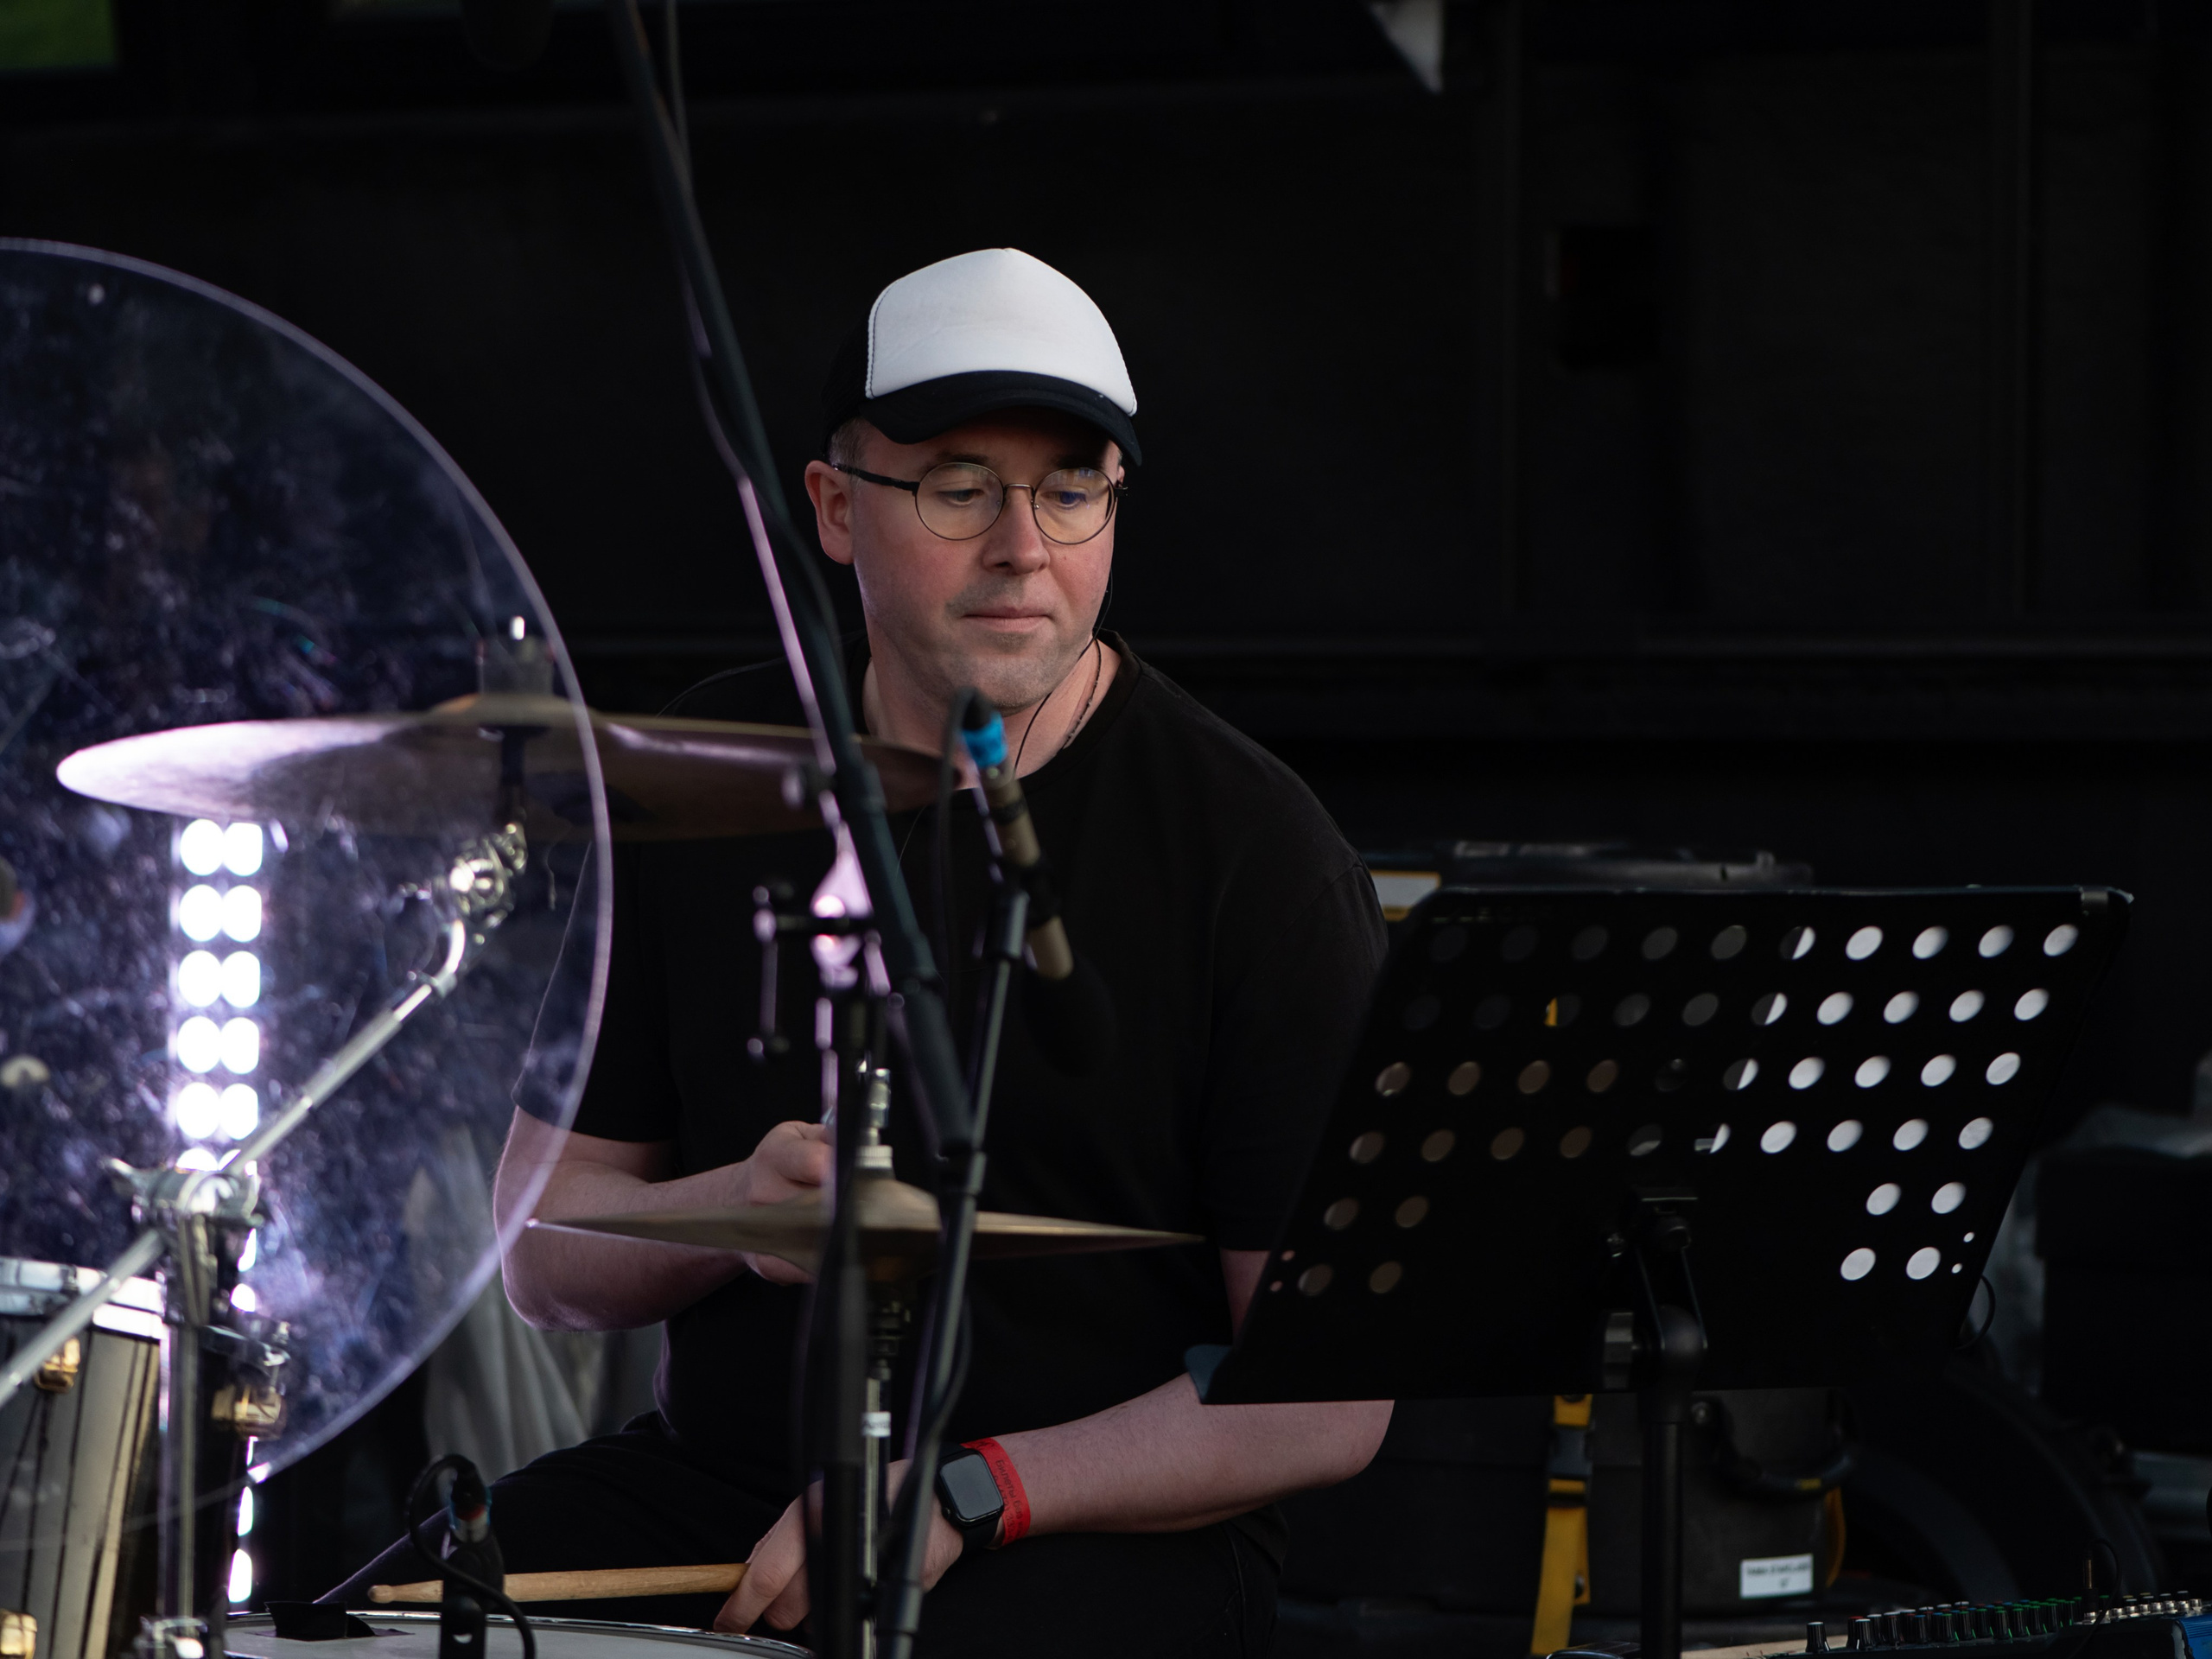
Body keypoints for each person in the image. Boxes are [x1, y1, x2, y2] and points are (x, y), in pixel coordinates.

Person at [329, 247, 1392, 1656]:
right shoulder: (711, 780)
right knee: (376, 1635)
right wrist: (739, 1209)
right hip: (725, 1487)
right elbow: (541, 1257)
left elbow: (1324, 1399)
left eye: (1071, 488)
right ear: (835, 508)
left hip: (1085, 1524)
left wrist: (966, 1492)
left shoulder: (1254, 855)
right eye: (960, 486)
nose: (1024, 543)